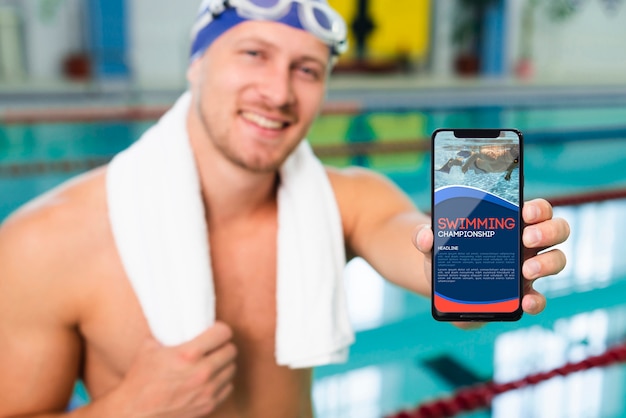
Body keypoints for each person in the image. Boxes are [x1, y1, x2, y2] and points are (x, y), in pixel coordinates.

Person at [0, 0, 569, 417]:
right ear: (195, 64)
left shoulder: (349, 200)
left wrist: (461, 269)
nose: (278, 92)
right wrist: (129, 409)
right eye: (254, 54)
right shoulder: (46, 243)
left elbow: (409, 240)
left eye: (307, 70)